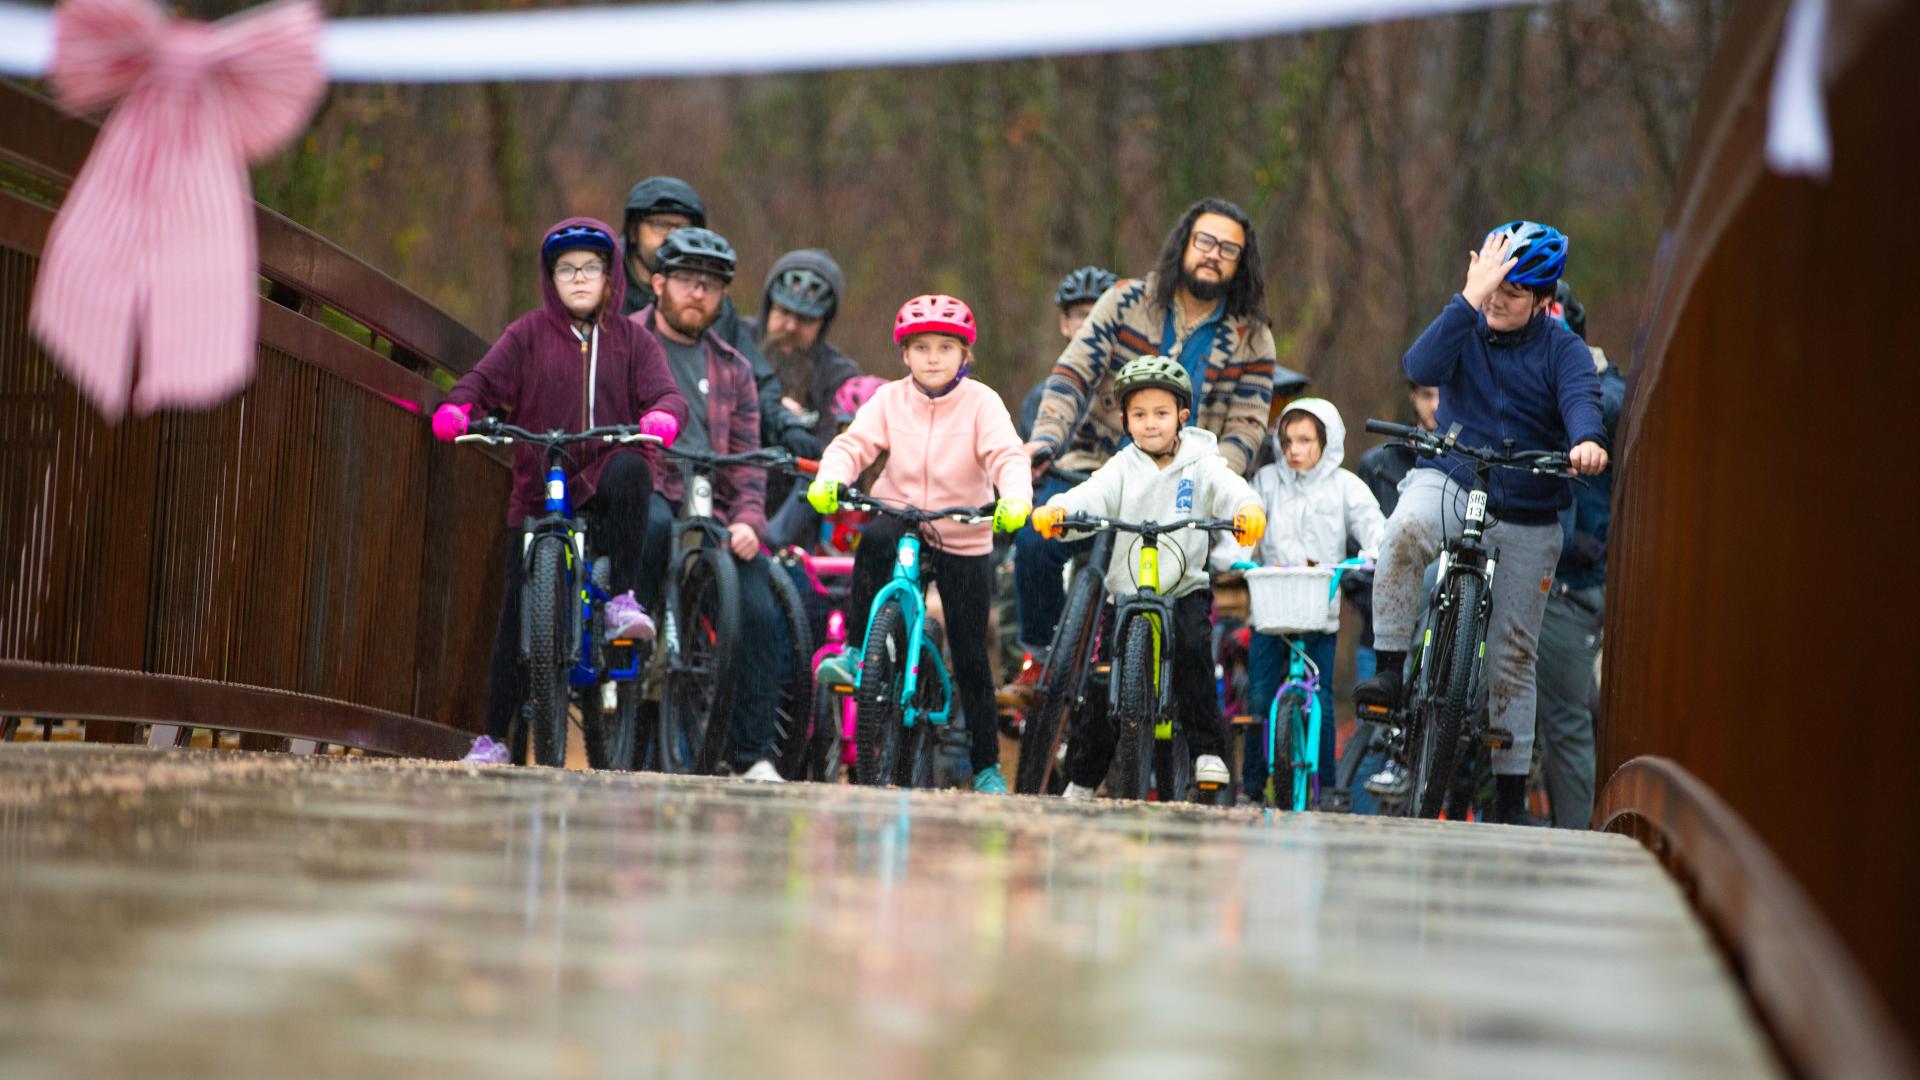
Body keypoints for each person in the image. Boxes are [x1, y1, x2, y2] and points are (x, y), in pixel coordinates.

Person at [1352, 220, 1609, 825]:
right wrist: (1469, 296)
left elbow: (1581, 400)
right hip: (1453, 476)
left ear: (1544, 302)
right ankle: (1391, 670)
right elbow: (1420, 364)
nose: (1499, 300)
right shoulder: (1466, 321)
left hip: (1529, 500)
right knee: (1404, 533)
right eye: (1493, 286)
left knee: (1514, 657)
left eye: (1513, 294)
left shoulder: (1562, 348)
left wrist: (1587, 442)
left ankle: (1511, 799)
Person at [431, 218, 687, 765]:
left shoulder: (632, 340)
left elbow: (665, 391)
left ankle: (619, 596)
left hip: (600, 479)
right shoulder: (526, 334)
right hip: (538, 484)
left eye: (590, 268)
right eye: (566, 268)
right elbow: (481, 382)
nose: (578, 278)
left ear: (610, 277)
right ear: (550, 278)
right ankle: (494, 738)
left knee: (632, 470)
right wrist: (459, 409)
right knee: (513, 613)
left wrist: (663, 414)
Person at [1016, 199, 1294, 665]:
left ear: (1241, 263)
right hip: (1095, 467)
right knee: (1034, 541)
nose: (1213, 254)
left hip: (1181, 488)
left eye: (1228, 249)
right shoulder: (1125, 301)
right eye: (1205, 241)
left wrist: (1212, 482)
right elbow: (1073, 375)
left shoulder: (1253, 336)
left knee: (1184, 626)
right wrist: (1045, 438)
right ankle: (1040, 662)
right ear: (1184, 244)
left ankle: (1171, 720)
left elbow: (1246, 427)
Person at [806, 294, 1033, 794]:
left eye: (946, 347)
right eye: (922, 347)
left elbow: (1007, 456)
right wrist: (831, 477)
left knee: (972, 654)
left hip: (962, 529)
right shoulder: (889, 399)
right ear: (904, 355)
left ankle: (987, 765)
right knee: (874, 540)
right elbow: (853, 444)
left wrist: (1014, 498)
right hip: (901, 515)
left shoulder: (982, 403)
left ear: (964, 355)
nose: (933, 357)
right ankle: (857, 651)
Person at [1030, 356, 1267, 799]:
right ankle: (1082, 779)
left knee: (1196, 654)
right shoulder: (1123, 465)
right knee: (1101, 684)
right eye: (1138, 415)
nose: (1150, 424)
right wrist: (1061, 510)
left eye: (1161, 413)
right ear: (1124, 420)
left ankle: (1207, 753)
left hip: (1184, 589)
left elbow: (1230, 488)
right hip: (1125, 595)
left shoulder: (1203, 462)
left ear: (1182, 416)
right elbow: (1093, 494)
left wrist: (1246, 510)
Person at [631, 226, 789, 782]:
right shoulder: (626, 343)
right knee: (646, 531)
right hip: (647, 496)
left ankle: (753, 754)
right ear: (658, 283)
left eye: (711, 285)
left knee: (761, 610)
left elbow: (747, 463)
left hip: (713, 516)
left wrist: (749, 520)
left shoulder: (734, 369)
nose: (698, 292)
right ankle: (627, 680)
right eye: (686, 281)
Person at [1232, 398, 1385, 805]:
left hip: (1321, 606)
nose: (1294, 449)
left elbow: (1374, 526)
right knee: (1261, 697)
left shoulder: (1344, 486)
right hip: (1270, 608)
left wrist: (1372, 554)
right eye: (1288, 440)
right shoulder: (1264, 483)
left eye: (1305, 440)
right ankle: (1250, 786)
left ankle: (1330, 787)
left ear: (1326, 441)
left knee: (1323, 699)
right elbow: (1241, 529)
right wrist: (1235, 554)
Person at [617, 176, 817, 458]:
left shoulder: (711, 308)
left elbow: (754, 379)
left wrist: (786, 427)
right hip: (634, 452)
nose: (671, 235)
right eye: (660, 224)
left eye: (682, 227)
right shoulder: (608, 298)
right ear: (634, 231)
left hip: (707, 458)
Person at [1534, 279, 1626, 828]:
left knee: (1566, 723)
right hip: (1514, 564)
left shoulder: (1602, 383)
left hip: (1572, 584)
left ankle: (1574, 842)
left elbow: (1610, 405)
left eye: (1553, 317)